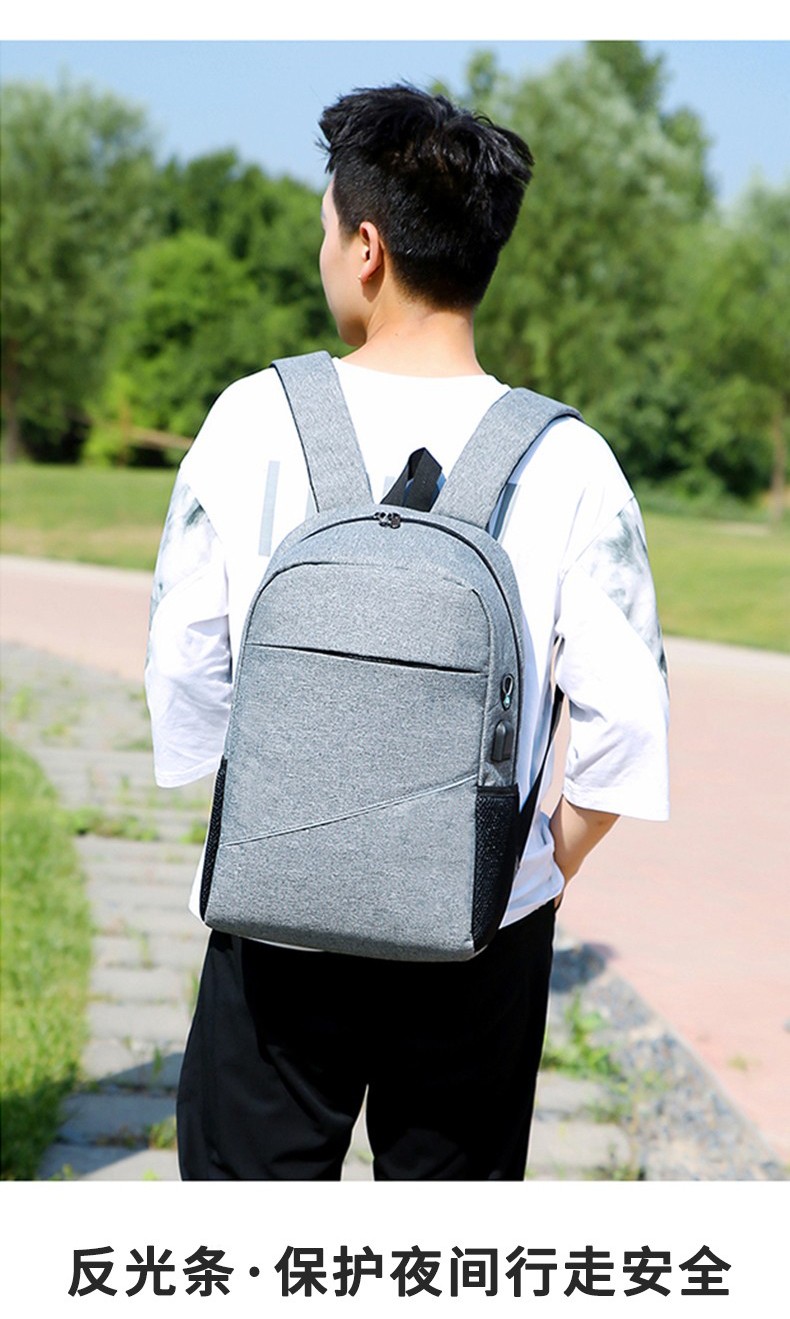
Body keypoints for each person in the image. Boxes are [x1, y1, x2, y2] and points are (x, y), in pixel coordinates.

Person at [145, 84, 669, 1181]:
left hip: (276, 928)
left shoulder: (253, 418)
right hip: (478, 936)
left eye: (326, 228)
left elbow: (186, 671)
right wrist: (524, 867)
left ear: (367, 247)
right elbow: (626, 732)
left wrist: (291, 827)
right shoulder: (570, 458)